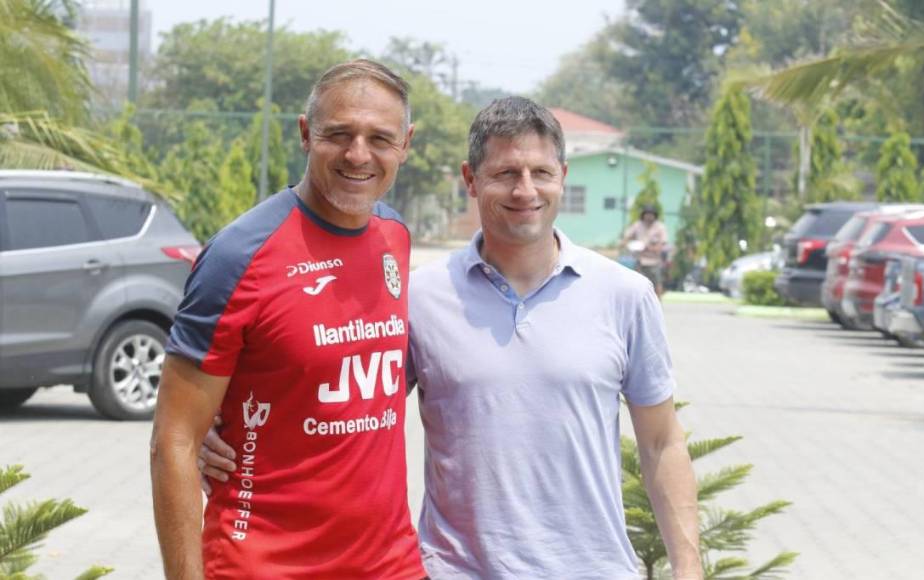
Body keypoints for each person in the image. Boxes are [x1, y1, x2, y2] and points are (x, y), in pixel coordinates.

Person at [202, 97, 701, 579]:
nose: (525, 190)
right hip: (454, 569)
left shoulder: (625, 295)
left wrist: (689, 567)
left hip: (595, 569)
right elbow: (347, 404)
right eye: (505, 174)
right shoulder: (419, 296)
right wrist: (217, 425)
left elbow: (660, 443)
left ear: (562, 178)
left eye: (541, 173)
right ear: (470, 179)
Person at [149, 59, 426, 579]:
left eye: (380, 138)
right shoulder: (238, 256)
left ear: (406, 143)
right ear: (305, 133)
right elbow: (174, 440)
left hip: (390, 565)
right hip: (262, 565)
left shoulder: (396, 238)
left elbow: (370, 376)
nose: (358, 154)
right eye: (338, 134)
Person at [623, 204, 670, 296]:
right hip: (640, 260)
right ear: (643, 215)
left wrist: (649, 248)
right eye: (647, 214)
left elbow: (662, 245)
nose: (648, 216)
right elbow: (626, 237)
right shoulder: (638, 225)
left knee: (656, 284)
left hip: (654, 261)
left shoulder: (660, 227)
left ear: (655, 215)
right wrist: (628, 243)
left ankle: (658, 304)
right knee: (637, 284)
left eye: (651, 214)